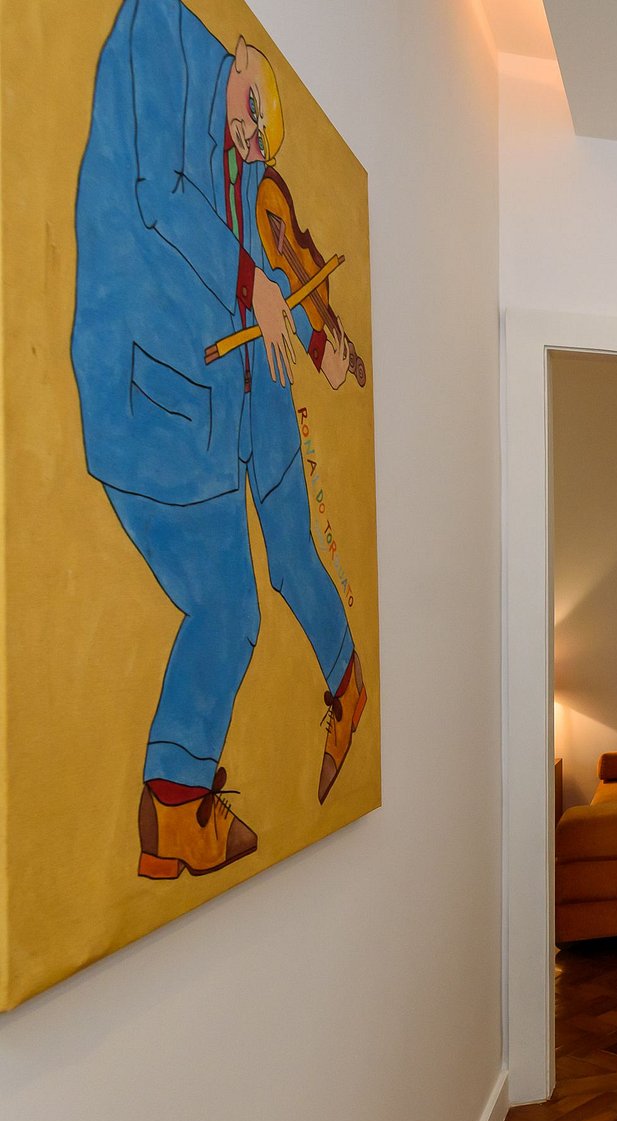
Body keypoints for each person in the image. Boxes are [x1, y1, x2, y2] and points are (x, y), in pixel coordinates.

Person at [70, 0, 367, 881]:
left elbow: (268, 257)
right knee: (227, 606)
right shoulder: (156, 30)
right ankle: (172, 810)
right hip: (161, 389)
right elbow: (160, 194)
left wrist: (319, 340)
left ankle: (347, 683)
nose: (246, 142)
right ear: (241, 62)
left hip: (240, 383)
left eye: (253, 137)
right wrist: (254, 285)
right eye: (245, 122)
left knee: (292, 553)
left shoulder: (242, 130)